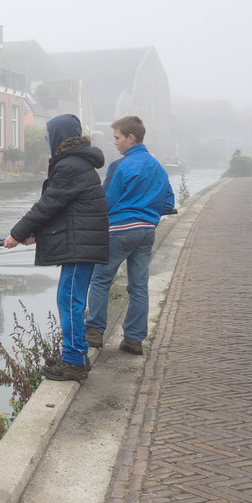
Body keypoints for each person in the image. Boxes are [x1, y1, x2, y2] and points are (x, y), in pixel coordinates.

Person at [4, 114, 109, 382]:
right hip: (81, 243)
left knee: (69, 300)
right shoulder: (77, 163)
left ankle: (74, 361)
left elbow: (48, 204)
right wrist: (35, 232)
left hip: (80, 246)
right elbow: (65, 208)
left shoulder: (70, 166)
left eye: (48, 136)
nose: (47, 141)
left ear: (58, 137)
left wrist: (16, 233)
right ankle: (75, 354)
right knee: (70, 299)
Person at [85, 115, 176, 356]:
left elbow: (106, 202)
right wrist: (147, 205)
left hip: (119, 231)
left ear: (130, 138)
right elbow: (169, 202)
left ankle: (94, 332)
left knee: (100, 280)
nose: (114, 143)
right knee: (138, 286)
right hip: (146, 232)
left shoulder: (120, 166)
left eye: (117, 138)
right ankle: (134, 340)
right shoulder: (158, 167)